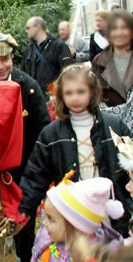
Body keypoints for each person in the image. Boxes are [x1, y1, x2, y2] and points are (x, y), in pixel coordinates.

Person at [20, 64, 133, 241]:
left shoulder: (114, 125)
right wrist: (24, 210)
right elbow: (36, 176)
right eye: (69, 93)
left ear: (92, 92)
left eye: (81, 92)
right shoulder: (51, 134)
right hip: (74, 211)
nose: (75, 98)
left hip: (110, 210)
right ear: (61, 96)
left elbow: (130, 163)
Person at [0, 30, 51, 262]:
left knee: (23, 230)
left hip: (25, 173)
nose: (0, 66)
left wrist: (35, 172)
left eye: (5, 60)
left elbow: (43, 130)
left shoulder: (28, 85)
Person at [30, 177, 124, 262]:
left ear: (73, 225)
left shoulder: (97, 254)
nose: (44, 223)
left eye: (51, 219)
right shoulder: (45, 241)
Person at [21, 16, 74, 99]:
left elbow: (68, 73)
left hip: (54, 100)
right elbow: (23, 76)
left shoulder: (59, 46)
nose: (26, 31)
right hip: (35, 100)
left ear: (37, 27)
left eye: (28, 28)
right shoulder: (28, 51)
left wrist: (52, 93)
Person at [92, 10, 133, 107]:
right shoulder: (99, 62)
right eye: (114, 28)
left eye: (124, 28)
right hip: (112, 120)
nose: (119, 33)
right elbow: (93, 96)